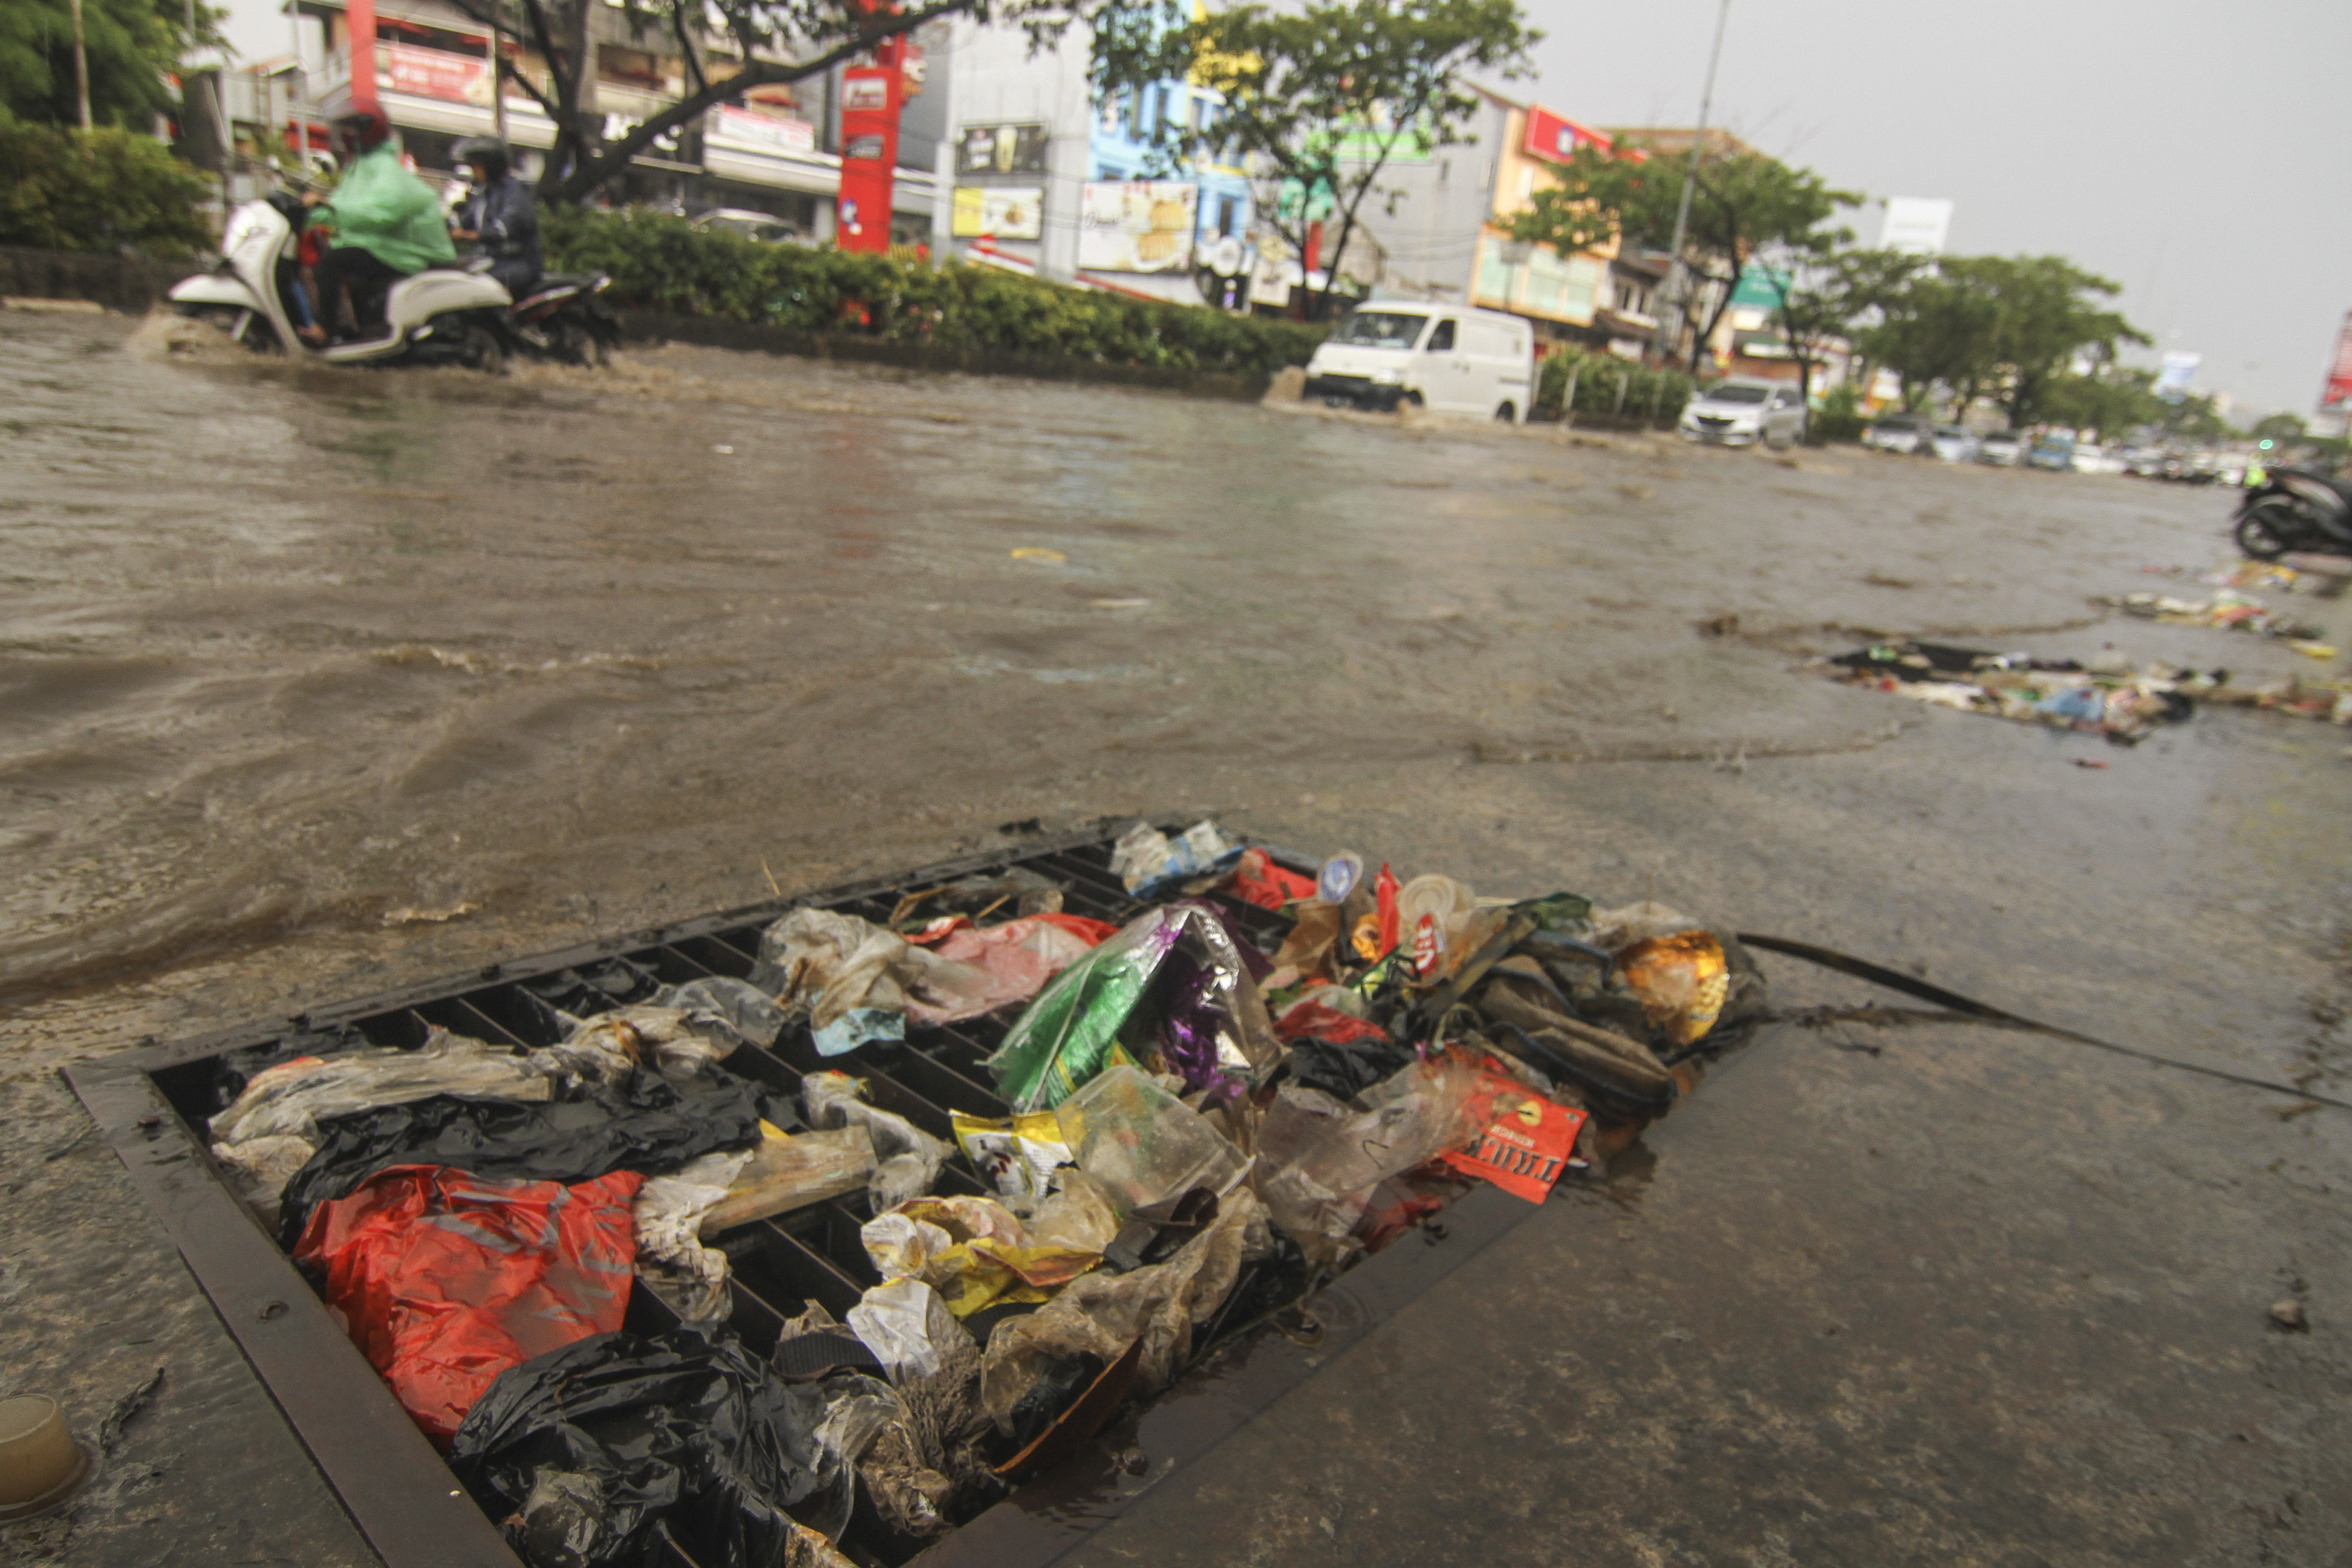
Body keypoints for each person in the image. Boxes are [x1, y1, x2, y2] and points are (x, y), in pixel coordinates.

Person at [298, 112, 455, 345]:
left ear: (366, 132)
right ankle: (354, 331)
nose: (344, 137)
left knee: (333, 260)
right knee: (329, 258)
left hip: (402, 252)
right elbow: (346, 203)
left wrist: (329, 207)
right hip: (381, 245)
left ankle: (325, 330)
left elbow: (384, 210)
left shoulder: (383, 166)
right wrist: (314, 214)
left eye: (350, 130)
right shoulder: (359, 165)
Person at [448, 135, 541, 301]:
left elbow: (503, 231)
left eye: (476, 166)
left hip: (519, 264)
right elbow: (463, 223)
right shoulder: (484, 194)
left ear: (491, 165)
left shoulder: (515, 192)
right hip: (491, 261)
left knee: (475, 287)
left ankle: (494, 326)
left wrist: (467, 235)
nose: (473, 170)